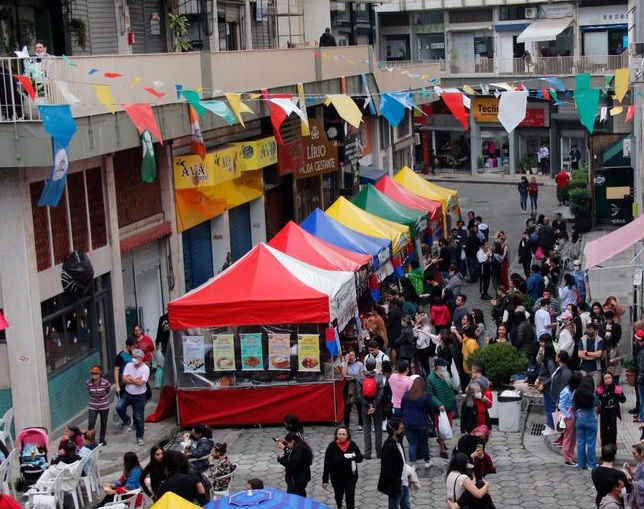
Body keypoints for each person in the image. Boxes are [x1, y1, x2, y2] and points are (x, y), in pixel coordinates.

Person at [401, 376, 443, 468]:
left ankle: (413, 464)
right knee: (423, 443)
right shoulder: (426, 396)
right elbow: (431, 410)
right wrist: (433, 420)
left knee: (412, 444)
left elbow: (402, 408)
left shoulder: (407, 395)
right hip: (421, 423)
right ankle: (427, 462)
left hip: (407, 422)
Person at [322, 426, 363, 509]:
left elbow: (360, 458)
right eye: (339, 434)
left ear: (347, 435)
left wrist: (354, 457)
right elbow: (327, 463)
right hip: (337, 478)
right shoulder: (332, 446)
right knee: (338, 496)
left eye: (343, 434)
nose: (341, 436)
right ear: (336, 435)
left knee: (350, 497)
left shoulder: (352, 444)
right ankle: (339, 506)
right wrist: (325, 480)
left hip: (350, 477)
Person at [116, 348, 150, 446]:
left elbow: (141, 383)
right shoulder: (129, 365)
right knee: (119, 407)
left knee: (139, 417)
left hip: (139, 396)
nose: (134, 359)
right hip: (128, 393)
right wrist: (134, 379)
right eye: (133, 357)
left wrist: (130, 378)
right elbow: (124, 379)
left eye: (136, 357)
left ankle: (139, 437)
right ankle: (128, 421)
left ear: (141, 358)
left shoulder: (145, 369)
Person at [426, 358, 455, 459]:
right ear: (437, 367)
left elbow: (451, 389)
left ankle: (441, 441)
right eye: (443, 366)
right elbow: (430, 394)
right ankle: (442, 448)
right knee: (440, 428)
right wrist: (438, 404)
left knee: (448, 426)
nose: (445, 368)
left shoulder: (447, 375)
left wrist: (452, 401)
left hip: (448, 406)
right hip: (438, 408)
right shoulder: (430, 378)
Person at [377, 417, 410, 509]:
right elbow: (387, 469)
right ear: (394, 431)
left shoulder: (398, 442)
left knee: (406, 505)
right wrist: (397, 482)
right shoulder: (388, 447)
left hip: (404, 481)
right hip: (396, 485)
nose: (403, 430)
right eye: (400, 429)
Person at [357, 358, 386, 460]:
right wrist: (374, 406)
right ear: (374, 366)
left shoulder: (360, 378)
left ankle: (367, 453)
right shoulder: (378, 378)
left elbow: (359, 395)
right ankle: (379, 452)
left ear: (365, 365)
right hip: (377, 407)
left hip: (365, 406)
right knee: (378, 429)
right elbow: (381, 394)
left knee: (366, 429)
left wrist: (367, 405)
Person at [574, 374, 601, 470]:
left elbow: (573, 406)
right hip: (591, 419)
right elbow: (598, 403)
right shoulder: (592, 395)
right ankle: (591, 464)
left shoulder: (576, 393)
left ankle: (581, 464)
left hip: (580, 419)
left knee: (580, 442)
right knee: (591, 443)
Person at [592, 444, 631, 508]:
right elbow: (628, 490)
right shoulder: (619, 474)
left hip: (600, 500)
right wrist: (627, 475)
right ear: (614, 456)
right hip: (614, 502)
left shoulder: (594, 471)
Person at [277, 432, 313, 496]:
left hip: (297, 480)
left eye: (287, 443)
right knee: (300, 495)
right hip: (300, 479)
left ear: (293, 441)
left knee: (294, 497)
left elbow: (292, 464)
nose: (287, 445)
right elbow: (291, 455)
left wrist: (281, 459)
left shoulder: (299, 449)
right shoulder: (300, 446)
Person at [596, 372, 626, 448]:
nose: (607, 380)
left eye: (609, 378)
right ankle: (604, 452)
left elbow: (623, 400)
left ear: (612, 378)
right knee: (604, 433)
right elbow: (597, 402)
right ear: (603, 380)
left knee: (613, 433)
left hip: (613, 413)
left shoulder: (617, 389)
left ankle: (612, 451)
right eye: (605, 378)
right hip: (603, 413)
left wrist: (617, 395)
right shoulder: (600, 389)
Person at [86, 364, 111, 446]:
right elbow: (90, 392)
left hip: (103, 405)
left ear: (100, 374)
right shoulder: (88, 383)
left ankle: (102, 439)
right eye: (92, 373)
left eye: (96, 373)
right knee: (91, 422)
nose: (94, 375)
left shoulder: (105, 382)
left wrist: (103, 398)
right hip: (93, 404)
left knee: (103, 422)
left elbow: (108, 391)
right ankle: (90, 440)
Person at [341, 350, 365, 432]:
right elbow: (344, 374)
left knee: (359, 405)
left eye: (352, 356)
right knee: (347, 406)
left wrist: (355, 377)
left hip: (357, 385)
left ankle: (361, 424)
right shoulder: (345, 364)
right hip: (348, 386)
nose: (351, 357)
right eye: (349, 356)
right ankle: (346, 425)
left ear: (355, 356)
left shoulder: (359, 364)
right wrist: (346, 361)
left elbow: (362, 376)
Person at [579, 322, 605, 388]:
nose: (588, 331)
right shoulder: (582, 339)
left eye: (590, 329)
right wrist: (593, 357)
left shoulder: (600, 340)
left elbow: (599, 354)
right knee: (584, 388)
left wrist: (586, 353)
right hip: (584, 368)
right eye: (587, 329)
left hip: (596, 369)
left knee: (595, 389)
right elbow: (580, 354)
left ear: (595, 330)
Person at [623, 440, 644, 509]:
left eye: (634, 453)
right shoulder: (641, 462)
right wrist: (629, 470)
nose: (633, 456)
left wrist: (627, 475)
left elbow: (640, 487)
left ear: (642, 453)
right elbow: (636, 477)